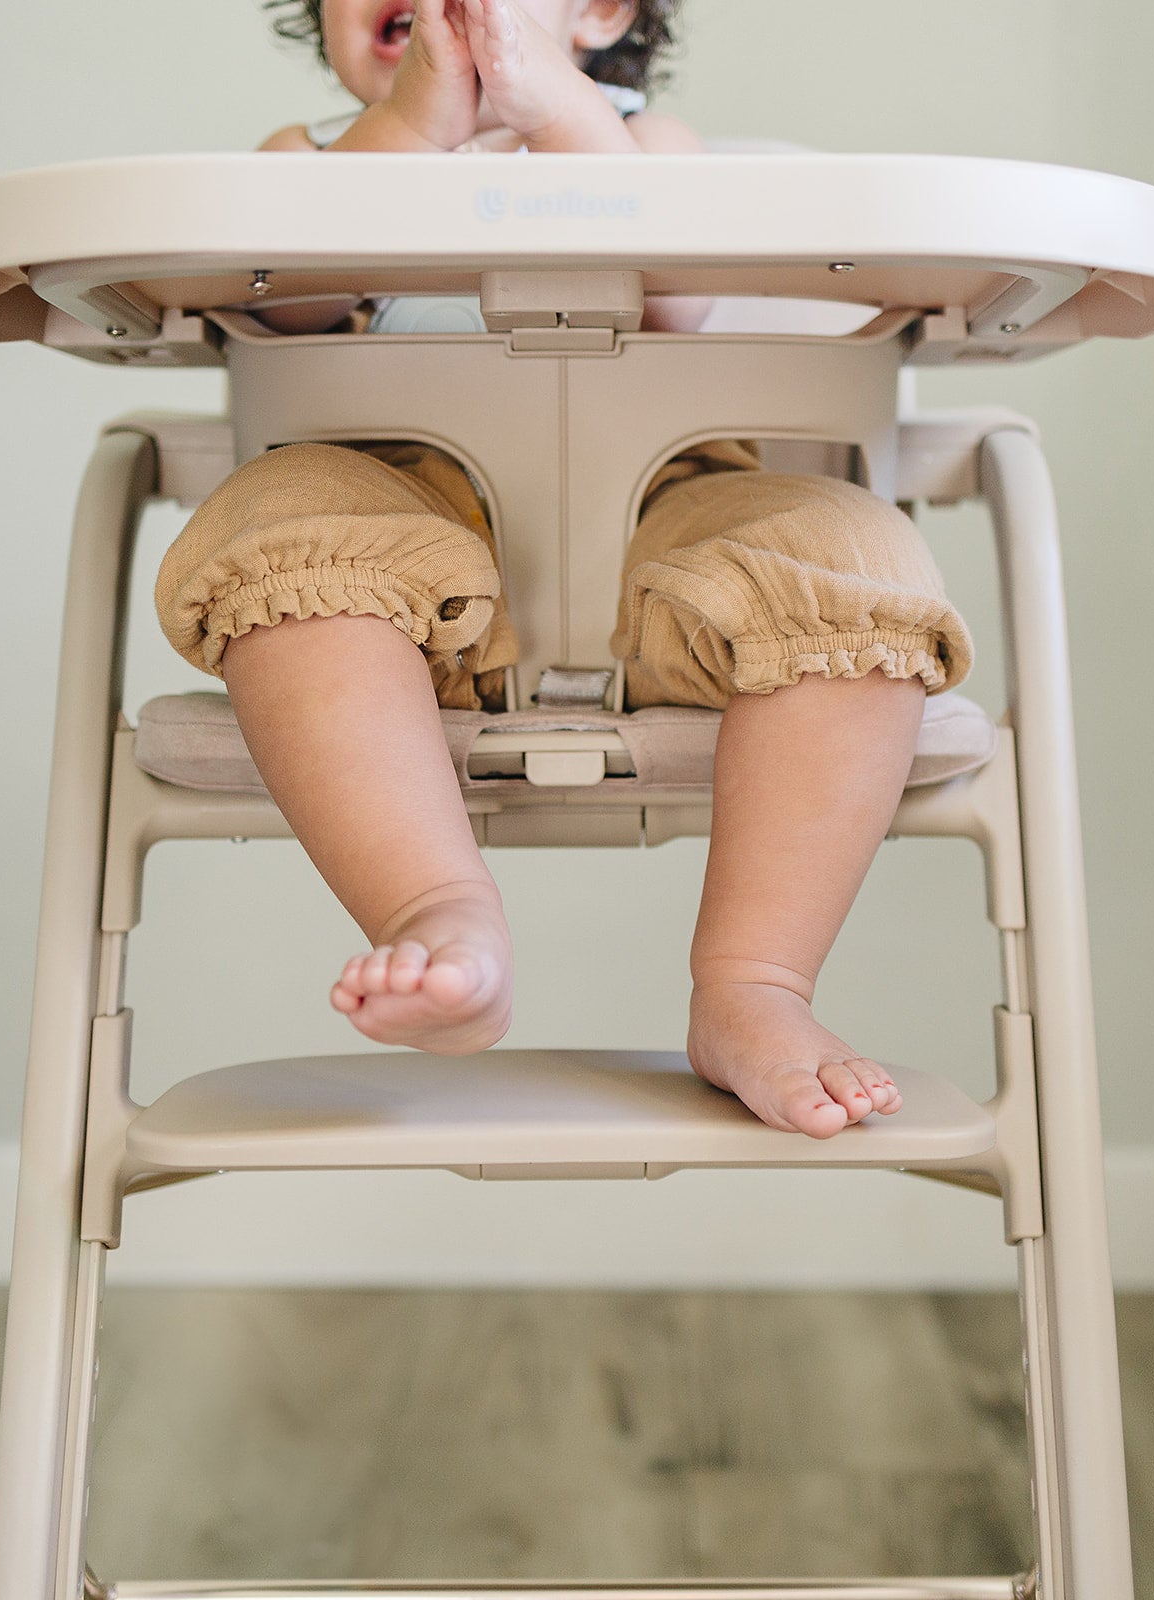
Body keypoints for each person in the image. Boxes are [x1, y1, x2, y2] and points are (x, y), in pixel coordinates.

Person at [155, 0, 973, 1138]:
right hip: (391, 556)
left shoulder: (657, 150)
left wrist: (560, 112)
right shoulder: (309, 165)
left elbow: (677, 294)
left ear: (597, 12)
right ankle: (437, 909)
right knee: (272, 541)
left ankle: (755, 982)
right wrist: (412, 125)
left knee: (853, 562)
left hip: (679, 531)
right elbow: (285, 291)